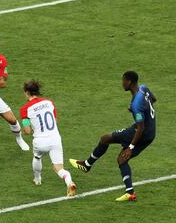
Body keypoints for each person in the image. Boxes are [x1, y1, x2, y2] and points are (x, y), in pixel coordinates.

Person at [69, 71, 156, 201]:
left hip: (141, 132)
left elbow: (140, 127)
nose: (122, 83)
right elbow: (153, 99)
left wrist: (130, 147)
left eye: (123, 80)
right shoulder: (144, 88)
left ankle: (87, 165)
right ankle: (130, 193)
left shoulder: (136, 103)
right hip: (151, 133)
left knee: (105, 139)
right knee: (121, 159)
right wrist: (139, 110)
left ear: (129, 82)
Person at [20, 80, 76, 196]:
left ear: (26, 93)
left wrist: (25, 130)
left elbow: (27, 131)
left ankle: (37, 179)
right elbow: (55, 121)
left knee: (37, 156)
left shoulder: (25, 109)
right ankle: (69, 181)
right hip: (55, 139)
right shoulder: (49, 102)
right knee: (59, 168)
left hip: (40, 141)